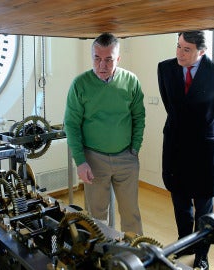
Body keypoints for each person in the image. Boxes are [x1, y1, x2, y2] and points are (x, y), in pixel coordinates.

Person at [64, 32, 145, 235]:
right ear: (91, 57)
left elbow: (139, 117)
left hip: (126, 157)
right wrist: (80, 161)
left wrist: (135, 149)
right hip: (93, 159)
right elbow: (71, 125)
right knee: (96, 217)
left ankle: (135, 259)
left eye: (109, 59)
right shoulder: (80, 84)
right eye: (97, 58)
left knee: (131, 214)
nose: (102, 65)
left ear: (118, 58)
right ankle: (101, 259)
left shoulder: (131, 81)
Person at [157, 31, 214, 270]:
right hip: (175, 145)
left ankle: (201, 254)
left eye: (186, 49)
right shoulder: (165, 69)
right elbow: (171, 106)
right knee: (180, 203)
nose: (179, 53)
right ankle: (184, 245)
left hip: (204, 148)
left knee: (204, 206)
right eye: (178, 46)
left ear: (201, 51)